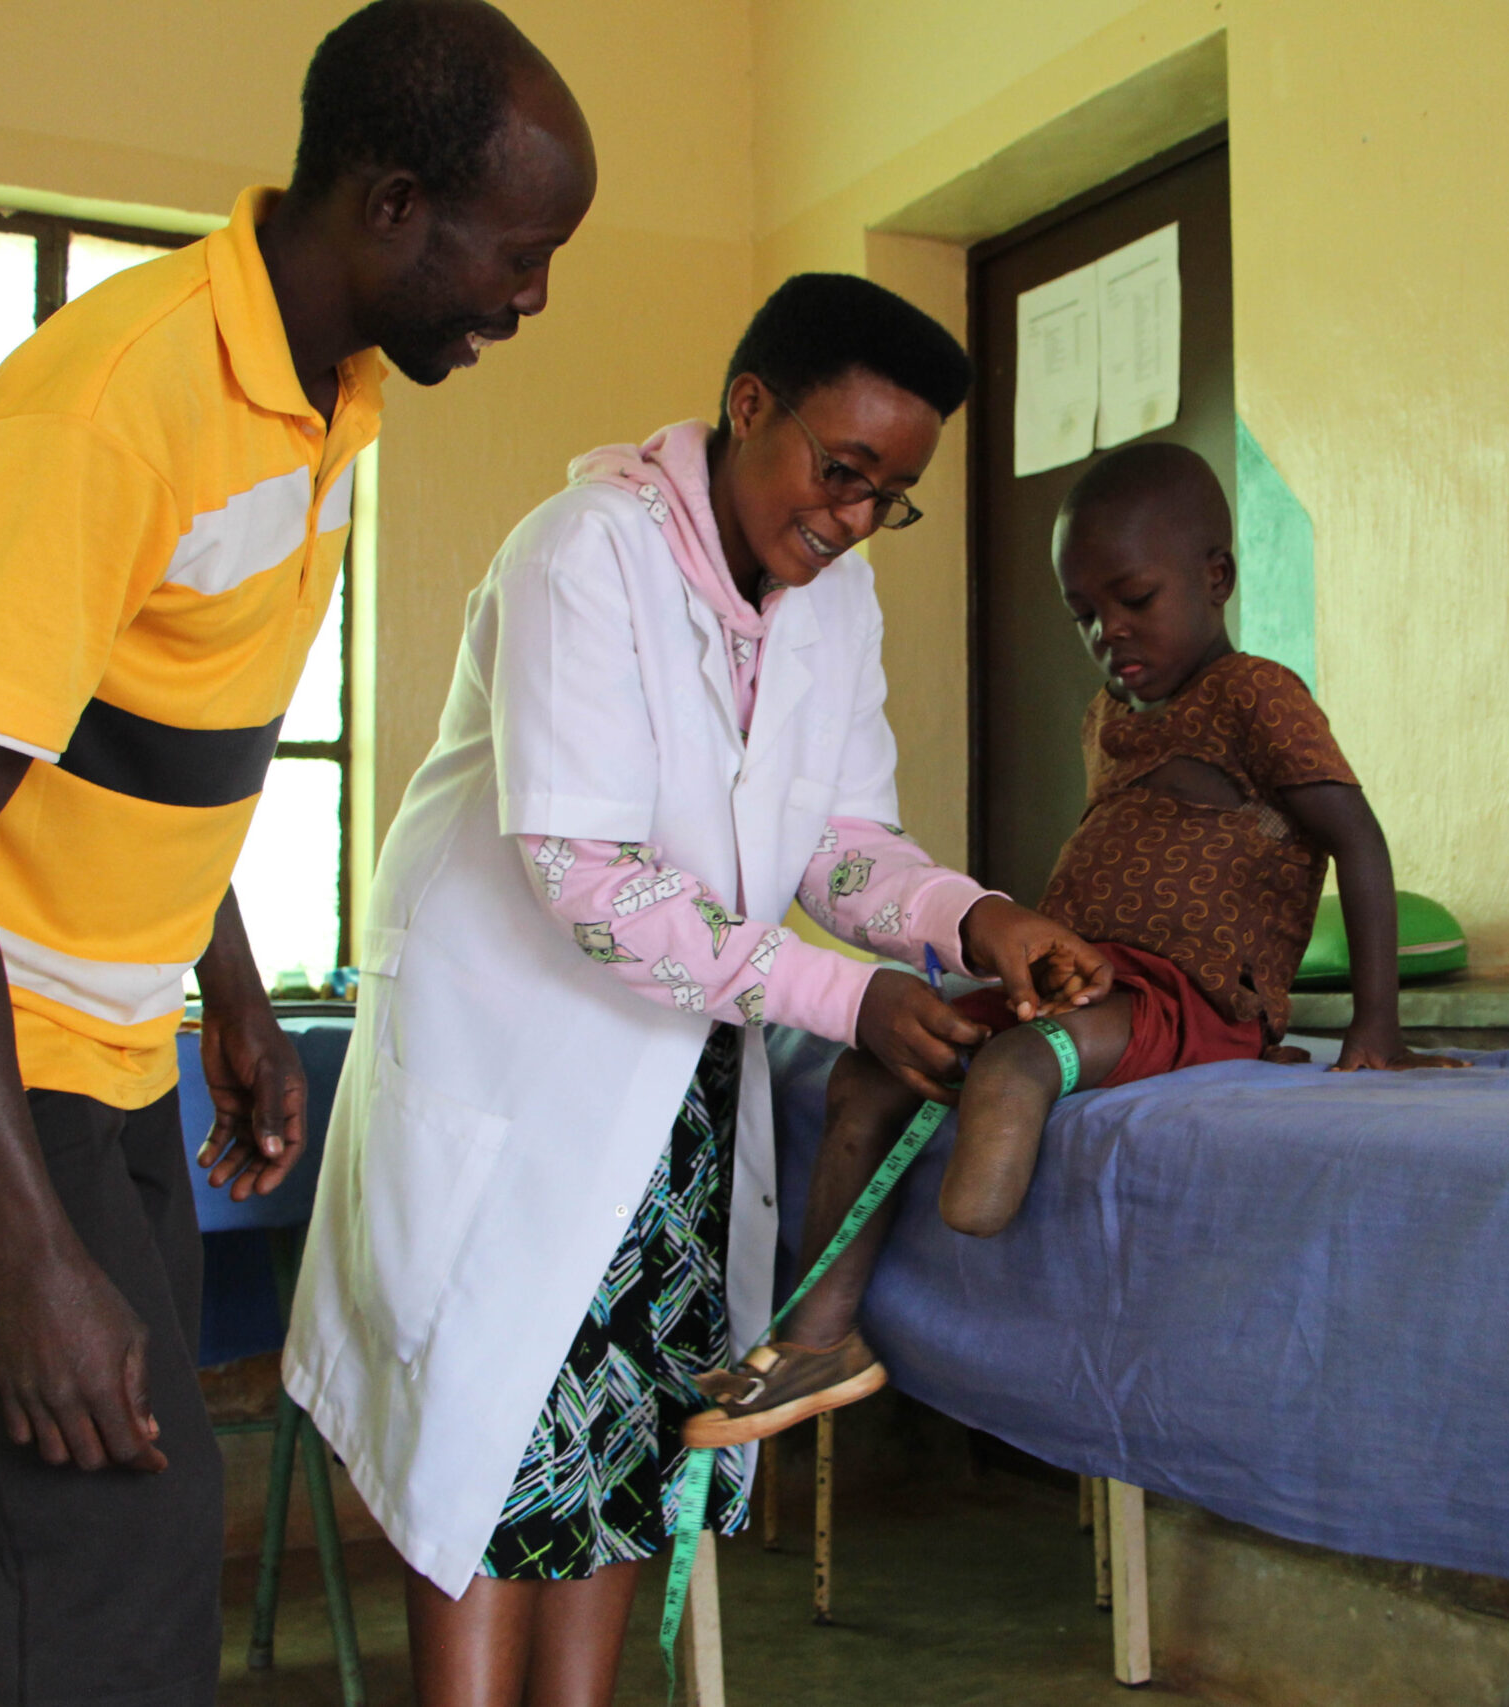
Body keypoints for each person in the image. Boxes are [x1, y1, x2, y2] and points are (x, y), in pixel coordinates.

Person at [0, 4, 594, 1700]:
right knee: (101, 1554)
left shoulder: (331, 396)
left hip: (109, 1015)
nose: (530, 298)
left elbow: (148, 727)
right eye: (517, 255)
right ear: (389, 206)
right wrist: (27, 1249)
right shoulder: (114, 408)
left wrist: (224, 983)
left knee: (127, 1528)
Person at [281, 270, 1109, 1704]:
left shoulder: (832, 610)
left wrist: (973, 919)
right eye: (840, 471)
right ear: (748, 408)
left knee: (625, 1441)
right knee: (487, 1455)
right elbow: (585, 868)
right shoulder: (581, 555)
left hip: (670, 1089)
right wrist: (849, 1000)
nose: (853, 518)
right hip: (513, 1068)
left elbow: (842, 843)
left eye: (888, 495)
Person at [687, 439, 1461, 1448]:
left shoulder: (1256, 694)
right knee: (872, 1071)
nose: (1110, 632)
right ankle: (818, 1337)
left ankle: (981, 1224)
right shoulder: (1107, 715)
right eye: (1086, 615)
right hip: (1082, 982)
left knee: (1014, 1068)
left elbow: (1356, 840)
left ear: (1216, 578)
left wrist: (1376, 1031)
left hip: (1192, 1001)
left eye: (1134, 598)